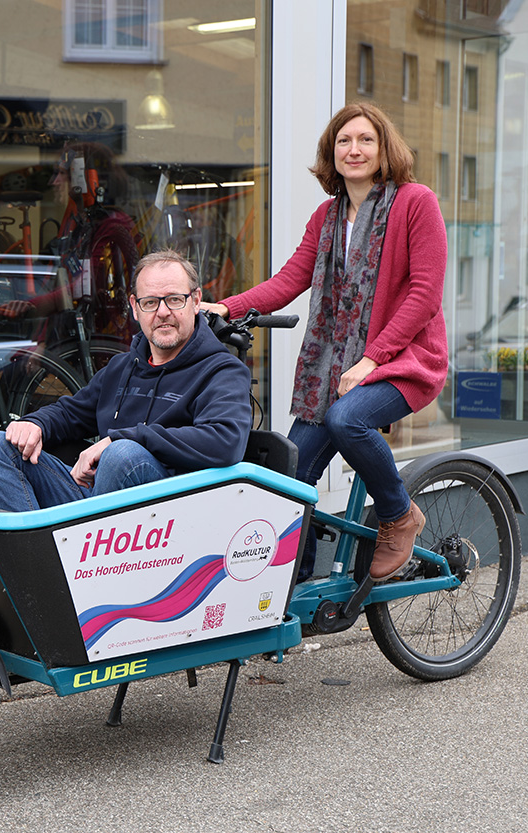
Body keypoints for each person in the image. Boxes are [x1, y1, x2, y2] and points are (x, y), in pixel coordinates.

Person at [203, 102, 448, 583]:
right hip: (335, 368)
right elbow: (288, 280)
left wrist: (373, 358)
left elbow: (424, 295)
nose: (354, 149)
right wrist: (225, 308)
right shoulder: (326, 217)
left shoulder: (416, 203)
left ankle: (398, 514)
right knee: (289, 475)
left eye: (366, 140)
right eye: (344, 141)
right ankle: (292, 589)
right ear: (331, 152)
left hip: (406, 360)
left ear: (384, 149)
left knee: (347, 419)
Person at [0, 249, 252, 511]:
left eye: (175, 299)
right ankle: (36, 549)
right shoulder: (122, 367)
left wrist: (119, 439)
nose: (163, 312)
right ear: (135, 308)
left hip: (172, 517)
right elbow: (71, 413)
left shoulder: (222, 371)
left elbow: (225, 442)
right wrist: (35, 424)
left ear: (196, 301)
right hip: (99, 501)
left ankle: (80, 544)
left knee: (122, 455)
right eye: (150, 302)